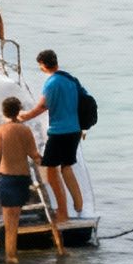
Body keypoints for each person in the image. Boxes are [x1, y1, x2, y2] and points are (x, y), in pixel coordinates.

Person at [18, 49, 84, 223]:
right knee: (66, 167)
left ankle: (62, 213)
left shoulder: (51, 83)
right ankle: (78, 205)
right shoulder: (70, 80)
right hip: (74, 130)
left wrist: (24, 116)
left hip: (59, 131)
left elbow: (41, 107)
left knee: (51, 171)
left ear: (43, 64)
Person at [0, 95, 40, 263]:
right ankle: (13, 254)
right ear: (18, 111)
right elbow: (34, 155)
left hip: (7, 178)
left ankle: (11, 256)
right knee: (15, 219)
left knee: (9, 224)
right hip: (22, 178)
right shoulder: (25, 130)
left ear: (4, 112)